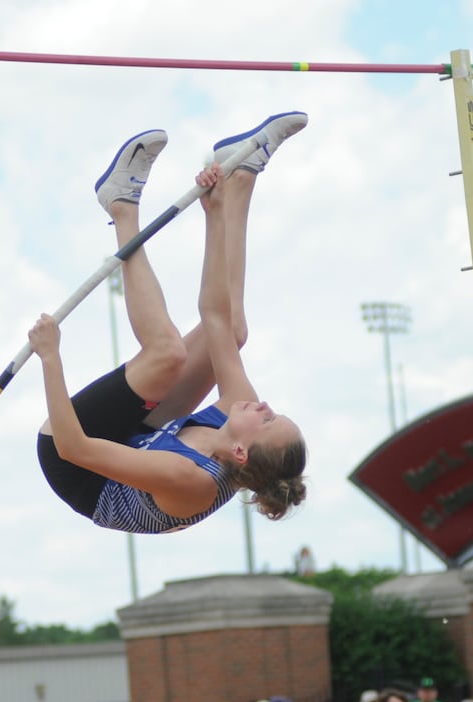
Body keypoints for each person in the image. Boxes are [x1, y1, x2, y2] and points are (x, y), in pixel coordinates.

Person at [31, 114, 309, 537]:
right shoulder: (238, 418)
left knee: (167, 353)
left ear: (239, 451)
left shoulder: (191, 480)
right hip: (141, 441)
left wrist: (50, 356)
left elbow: (75, 448)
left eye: (268, 422)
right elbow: (215, 317)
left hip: (77, 463)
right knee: (233, 333)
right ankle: (241, 175)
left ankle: (121, 204)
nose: (267, 407)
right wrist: (214, 214)